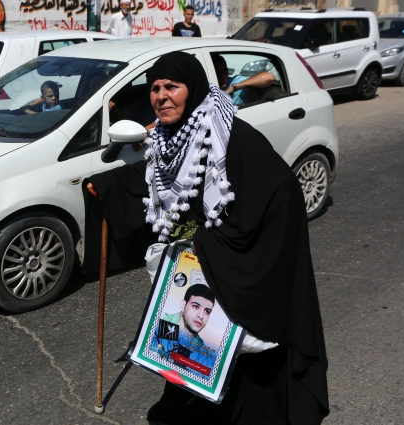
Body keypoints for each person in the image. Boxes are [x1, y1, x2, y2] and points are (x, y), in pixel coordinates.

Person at [82, 52, 329, 424]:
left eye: (172, 87)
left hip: (235, 269)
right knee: (193, 356)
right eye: (155, 88)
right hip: (200, 269)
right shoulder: (169, 134)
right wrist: (106, 186)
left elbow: (282, 195)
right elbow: (161, 177)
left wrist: (217, 246)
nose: (161, 96)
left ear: (193, 89)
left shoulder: (234, 139)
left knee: (245, 379)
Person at [151, 284, 216, 380]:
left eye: (207, 311)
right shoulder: (161, 323)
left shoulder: (203, 349)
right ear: (183, 305)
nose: (201, 315)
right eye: (196, 306)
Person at [211, 54, 275, 106]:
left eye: (225, 71)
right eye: (217, 73)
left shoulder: (234, 81)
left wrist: (234, 87)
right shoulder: (207, 86)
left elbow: (269, 77)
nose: (222, 76)